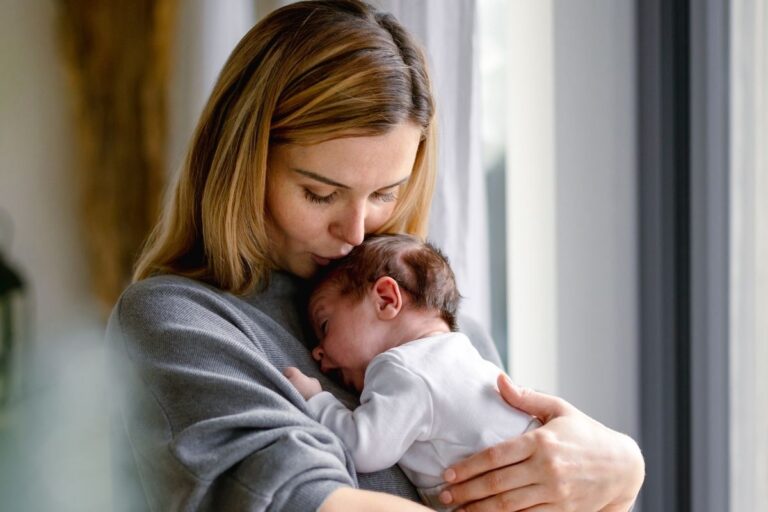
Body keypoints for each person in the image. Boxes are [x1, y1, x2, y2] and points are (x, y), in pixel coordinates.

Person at [107, 1, 645, 511]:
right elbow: (298, 499)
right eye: (320, 193)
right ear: (244, 163)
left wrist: (619, 476)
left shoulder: (452, 334)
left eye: (385, 193)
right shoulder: (180, 322)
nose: (356, 231)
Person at [283, 233, 542, 511]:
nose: (317, 353)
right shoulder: (461, 354)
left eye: (325, 326)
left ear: (385, 299)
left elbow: (363, 448)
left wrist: (316, 399)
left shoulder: (404, 368)